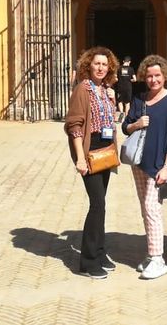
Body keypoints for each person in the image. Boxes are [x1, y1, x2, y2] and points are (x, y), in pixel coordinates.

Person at [121, 54, 167, 280]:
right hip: (138, 161)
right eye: (149, 76)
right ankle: (151, 253)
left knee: (152, 207)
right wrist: (136, 124)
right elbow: (125, 126)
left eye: (157, 75)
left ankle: (158, 258)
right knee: (145, 207)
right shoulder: (139, 99)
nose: (153, 80)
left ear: (164, 76)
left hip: (158, 163)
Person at [64, 46, 120, 279]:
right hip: (90, 151)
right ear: (88, 65)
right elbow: (74, 126)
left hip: (105, 150)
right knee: (97, 204)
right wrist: (79, 158)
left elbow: (110, 120)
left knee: (101, 203)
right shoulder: (82, 90)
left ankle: (99, 251)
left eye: (104, 64)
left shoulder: (105, 89)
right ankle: (87, 261)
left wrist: (113, 102)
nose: (100, 67)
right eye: (96, 63)